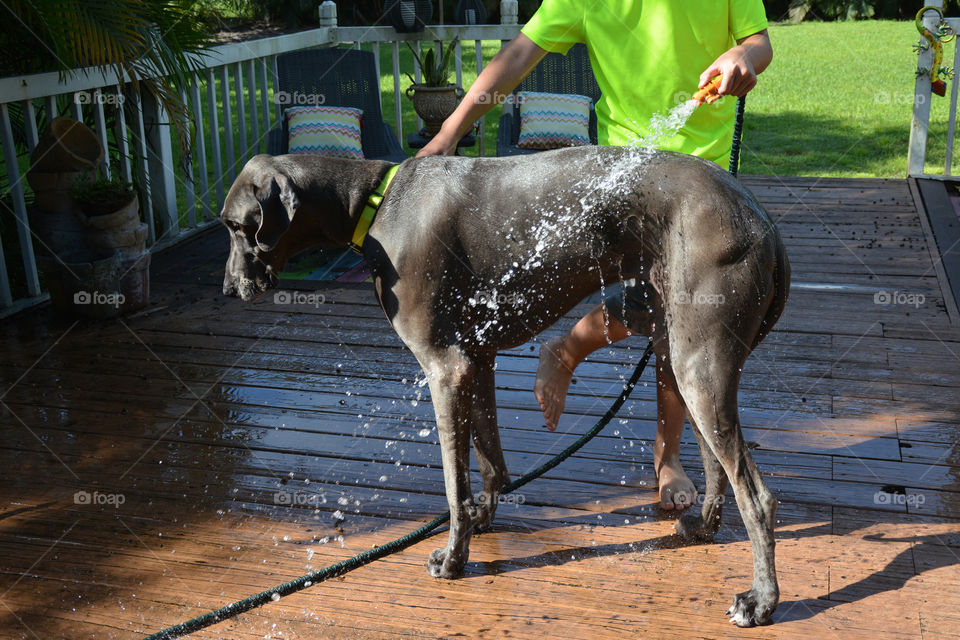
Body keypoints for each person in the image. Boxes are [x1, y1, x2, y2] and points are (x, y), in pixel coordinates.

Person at [417, 1, 773, 510]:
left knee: (678, 320)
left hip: (705, 174)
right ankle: (661, 451)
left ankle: (584, 369)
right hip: (631, 170)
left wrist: (743, 55)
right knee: (664, 314)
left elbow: (762, 42)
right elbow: (516, 57)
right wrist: (448, 135)